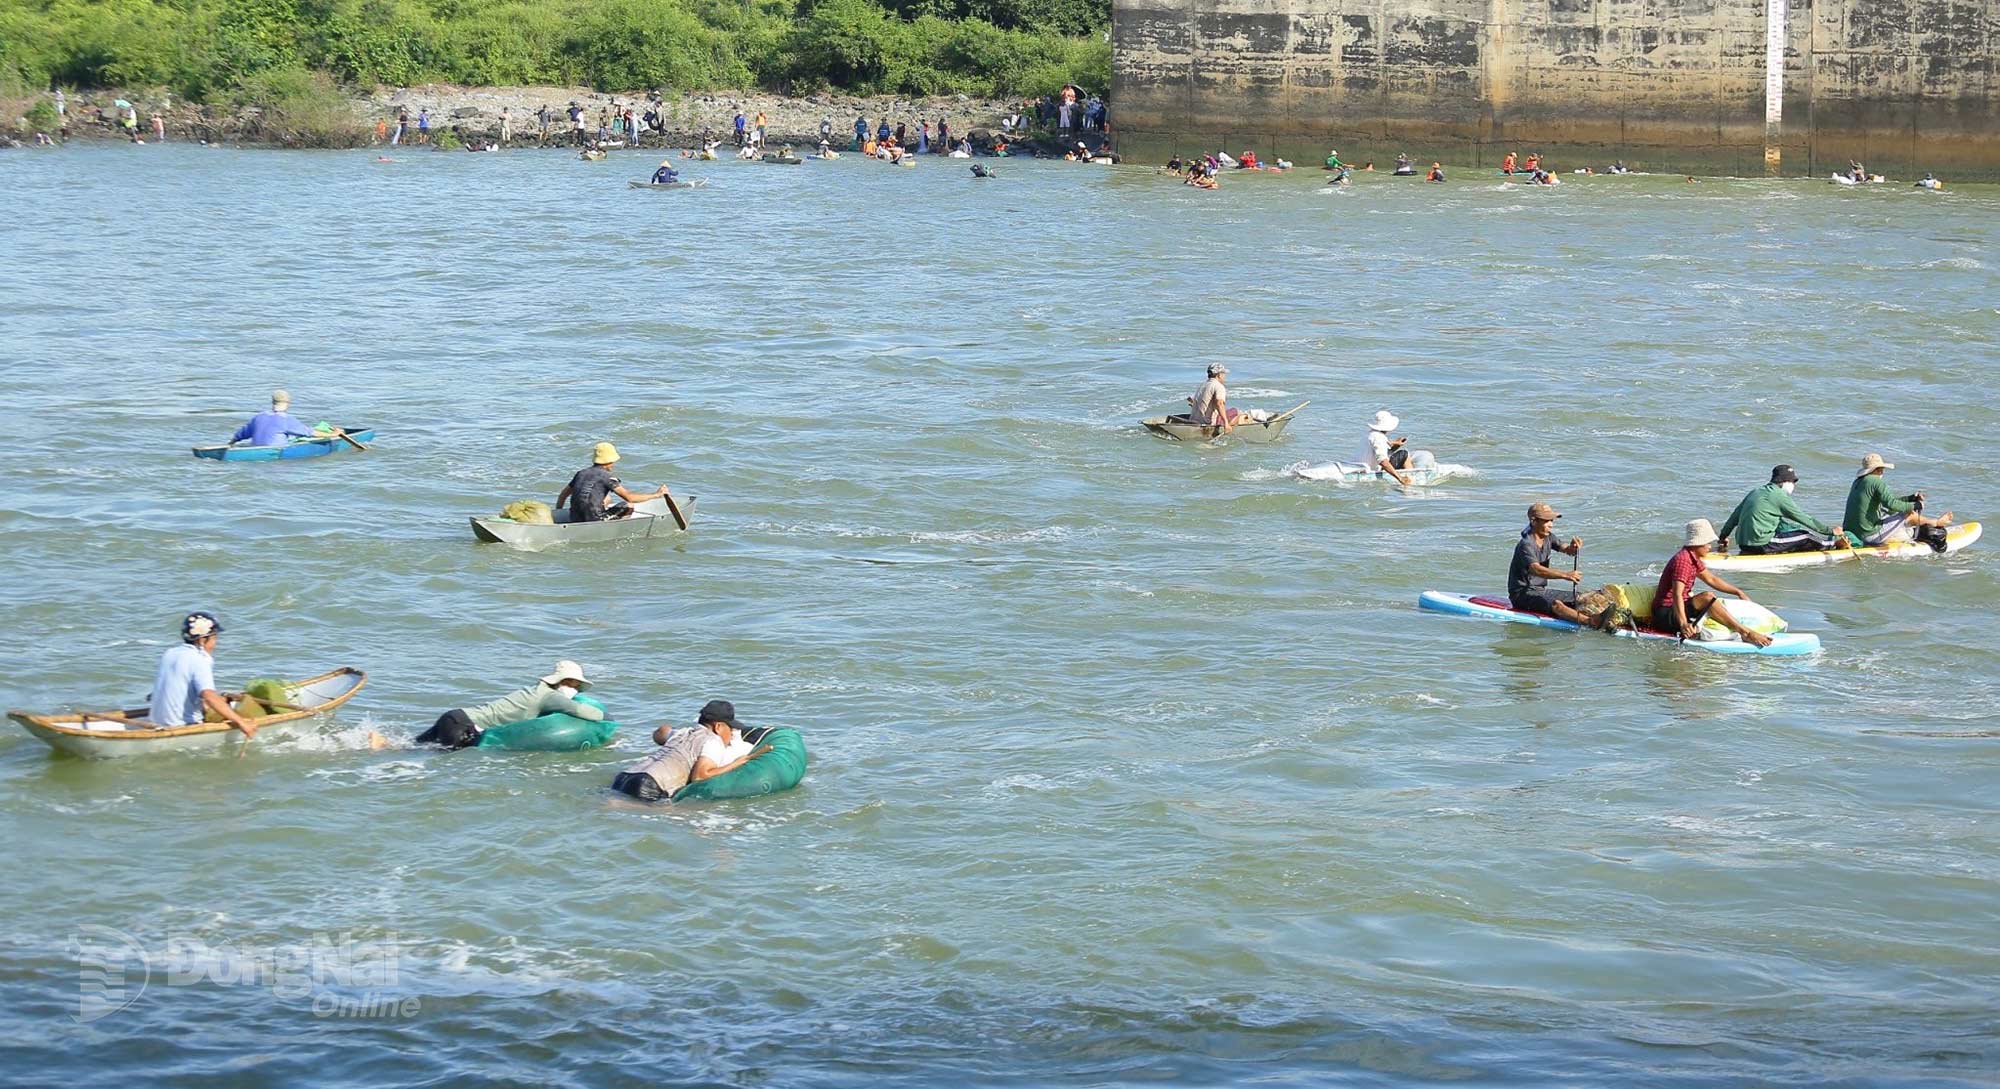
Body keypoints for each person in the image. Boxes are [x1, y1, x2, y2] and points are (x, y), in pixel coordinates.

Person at [416, 661, 604, 750]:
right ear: (563, 681)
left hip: (454, 717)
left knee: (413, 749)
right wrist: (607, 719)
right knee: (437, 763)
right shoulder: (550, 697)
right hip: (463, 727)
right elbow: (591, 714)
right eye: (574, 685)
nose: (576, 690)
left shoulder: (536, 690)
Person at [610, 700, 772, 801]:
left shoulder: (683, 732)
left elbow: (660, 733)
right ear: (718, 726)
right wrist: (738, 762)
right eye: (730, 729)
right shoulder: (713, 741)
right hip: (649, 785)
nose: (730, 735)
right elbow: (700, 776)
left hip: (624, 777)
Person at [1655, 520, 1772, 646]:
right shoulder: (1683, 561)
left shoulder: (1692, 558)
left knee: (1715, 602)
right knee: (1707, 597)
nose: (1710, 547)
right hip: (1666, 614)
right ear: (1697, 543)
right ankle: (1746, 633)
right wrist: (1683, 624)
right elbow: (1677, 594)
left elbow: (1711, 579)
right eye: (1707, 543)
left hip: (1677, 608)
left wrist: (1738, 592)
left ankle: (1741, 630)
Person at [149, 612, 257, 735]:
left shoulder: (170, 653)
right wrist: (242, 723)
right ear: (202, 640)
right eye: (214, 638)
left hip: (156, 721)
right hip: (181, 725)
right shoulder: (200, 659)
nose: (215, 644)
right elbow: (208, 695)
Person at [1715, 465, 1845, 555]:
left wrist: (1723, 538)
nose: (1793, 485)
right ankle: (1833, 544)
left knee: (1788, 531)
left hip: (1743, 544)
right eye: (1793, 482)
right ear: (1785, 482)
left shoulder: (1755, 492)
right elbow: (1804, 518)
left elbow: (1734, 518)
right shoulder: (1779, 495)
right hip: (1762, 545)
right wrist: (1830, 531)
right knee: (1806, 536)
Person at [1844, 452, 1953, 549]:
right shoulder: (1876, 481)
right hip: (1869, 536)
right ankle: (1936, 523)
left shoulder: (1857, 482)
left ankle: (1911, 530)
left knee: (1895, 512)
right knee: (1910, 513)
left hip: (1853, 534)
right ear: (1878, 469)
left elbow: (1888, 504)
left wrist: (1910, 498)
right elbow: (1891, 504)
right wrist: (1915, 506)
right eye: (1882, 469)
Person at [1509, 502, 1590, 623]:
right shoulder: (1526, 545)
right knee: (1556, 605)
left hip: (1541, 591)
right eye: (1547, 521)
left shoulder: (1548, 537)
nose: (1551, 525)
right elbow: (1536, 569)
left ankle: (1605, 618)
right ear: (1534, 521)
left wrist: (1573, 547)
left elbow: (1567, 550)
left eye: (1551, 521)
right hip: (1522, 596)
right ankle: (1592, 622)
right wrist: (1566, 575)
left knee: (1582, 597)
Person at [556, 442, 672, 523]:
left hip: (575, 519)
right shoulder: (607, 477)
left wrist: (558, 513)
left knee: (607, 499)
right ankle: (616, 528)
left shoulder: (581, 473)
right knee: (628, 506)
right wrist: (656, 494)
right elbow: (630, 498)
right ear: (610, 461)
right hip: (594, 520)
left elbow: (563, 495)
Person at [231, 390, 339, 447]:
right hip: (273, 451)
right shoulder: (286, 419)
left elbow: (241, 434)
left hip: (255, 448)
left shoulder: (259, 416)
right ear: (288, 403)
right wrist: (333, 435)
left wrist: (231, 443)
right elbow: (309, 432)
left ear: (273, 402)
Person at [1361, 410, 1414, 486]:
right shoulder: (1379, 438)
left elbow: (1382, 452)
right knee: (1404, 454)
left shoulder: (1369, 434)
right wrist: (1400, 478)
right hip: (1372, 469)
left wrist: (1396, 445)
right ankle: (1411, 477)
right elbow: (1382, 461)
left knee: (1398, 454)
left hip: (1362, 465)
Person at [1188, 363, 1240, 433]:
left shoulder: (1203, 385)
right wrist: (1226, 423)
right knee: (1235, 411)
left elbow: (1191, 399)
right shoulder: (1218, 386)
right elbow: (1220, 403)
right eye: (1224, 374)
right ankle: (1230, 429)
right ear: (1219, 375)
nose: (1225, 376)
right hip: (1207, 422)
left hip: (1193, 420)